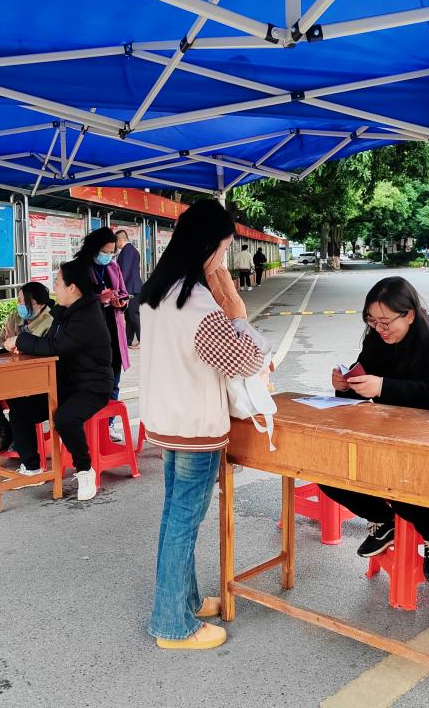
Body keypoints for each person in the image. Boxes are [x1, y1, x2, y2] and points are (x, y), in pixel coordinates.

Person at [140, 199, 269, 651]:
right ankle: (172, 624)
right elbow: (245, 359)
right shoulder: (197, 304)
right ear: (208, 246)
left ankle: (184, 601)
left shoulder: (158, 293)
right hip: (195, 425)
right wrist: (236, 310)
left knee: (174, 516)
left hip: (166, 420)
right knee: (184, 521)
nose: (224, 258)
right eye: (225, 248)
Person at [321, 276, 429, 582]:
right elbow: (361, 384)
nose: (380, 329)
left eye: (386, 322)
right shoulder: (376, 340)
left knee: (402, 484)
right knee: (325, 468)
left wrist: (383, 387)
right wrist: (345, 385)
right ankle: (382, 519)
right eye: (372, 321)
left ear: (410, 315)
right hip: (386, 436)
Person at [3, 261, 114, 501]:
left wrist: (20, 340)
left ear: (72, 287)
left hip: (92, 387)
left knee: (65, 418)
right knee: (20, 407)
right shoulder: (66, 311)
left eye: (57, 282)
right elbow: (50, 345)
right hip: (65, 385)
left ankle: (85, 470)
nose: (54, 288)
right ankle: (32, 467)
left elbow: (55, 346)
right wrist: (24, 346)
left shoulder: (87, 316)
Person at [0, 282, 53, 452]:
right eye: (18, 301)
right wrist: (10, 345)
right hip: (10, 371)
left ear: (39, 304)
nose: (19, 305)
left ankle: (21, 438)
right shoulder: (15, 317)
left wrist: (19, 344)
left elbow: (44, 351)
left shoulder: (50, 321)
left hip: (36, 379)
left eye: (23, 301)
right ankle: (5, 429)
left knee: (17, 399)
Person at [74, 227, 130, 443]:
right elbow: (74, 301)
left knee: (113, 380)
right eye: (104, 251)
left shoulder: (113, 267)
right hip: (91, 334)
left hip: (113, 331)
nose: (108, 256)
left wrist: (120, 302)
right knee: (93, 382)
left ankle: (108, 423)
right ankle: (90, 425)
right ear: (93, 248)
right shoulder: (79, 269)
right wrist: (99, 299)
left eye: (111, 252)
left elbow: (124, 293)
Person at [115, 229, 143, 350]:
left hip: (131, 288)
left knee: (133, 315)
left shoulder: (126, 251)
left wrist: (118, 287)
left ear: (119, 240)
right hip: (133, 287)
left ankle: (143, 340)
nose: (116, 245)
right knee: (129, 315)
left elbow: (124, 271)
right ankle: (128, 340)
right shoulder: (133, 250)